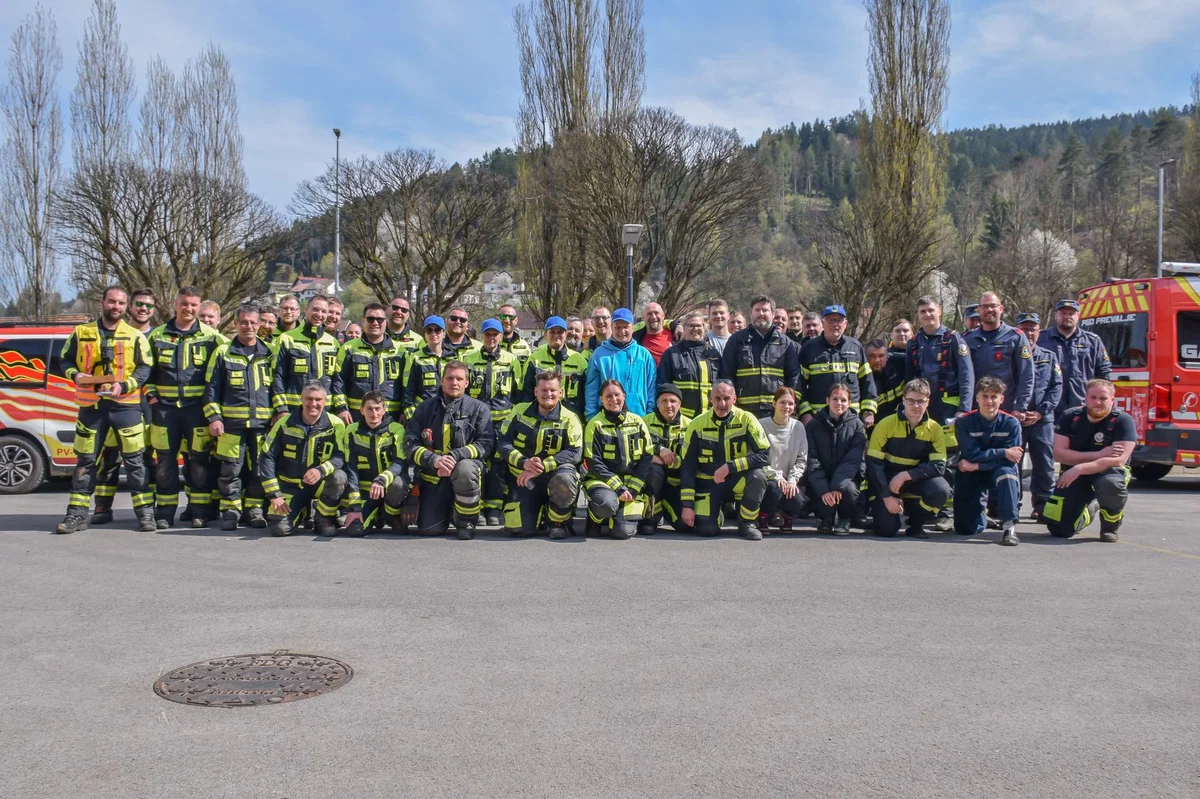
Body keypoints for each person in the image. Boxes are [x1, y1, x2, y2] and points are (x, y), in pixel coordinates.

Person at [55, 287, 156, 534]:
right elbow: (64, 360)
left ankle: (145, 515)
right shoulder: (81, 332)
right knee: (86, 461)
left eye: (121, 303)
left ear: (126, 306)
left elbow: (145, 368)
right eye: (112, 301)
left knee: (135, 462)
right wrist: (75, 375)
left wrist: (125, 385)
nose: (116, 306)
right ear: (102, 302)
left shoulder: (135, 336)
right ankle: (77, 515)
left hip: (126, 406)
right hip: (92, 407)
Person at [145, 286, 225, 528]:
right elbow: (144, 370)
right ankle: (165, 513)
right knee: (165, 463)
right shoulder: (157, 335)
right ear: (175, 304)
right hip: (165, 410)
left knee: (200, 461)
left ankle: (199, 512)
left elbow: (231, 360)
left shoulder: (212, 337)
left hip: (196, 410)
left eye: (193, 305)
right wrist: (151, 397)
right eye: (184, 303)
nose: (188, 309)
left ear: (198, 307)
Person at [906, 295, 975, 531]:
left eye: (931, 310)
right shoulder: (914, 343)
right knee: (926, 457)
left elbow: (967, 377)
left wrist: (964, 410)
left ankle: (947, 513)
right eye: (922, 311)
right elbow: (909, 379)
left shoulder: (953, 339)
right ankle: (931, 507)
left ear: (940, 312)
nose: (927, 315)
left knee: (949, 461)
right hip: (923, 409)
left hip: (948, 410)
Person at [203, 304, 274, 531]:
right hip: (231, 425)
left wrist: (278, 414)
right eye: (243, 322)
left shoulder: (269, 352)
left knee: (259, 470)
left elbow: (277, 387)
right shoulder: (223, 352)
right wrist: (214, 418)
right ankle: (231, 511)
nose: (248, 326)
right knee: (230, 470)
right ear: (235, 323)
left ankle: (254, 511)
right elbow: (211, 389)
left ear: (259, 324)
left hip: (262, 425)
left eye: (253, 322)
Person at [405, 361, 494, 539]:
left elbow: (485, 444)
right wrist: (434, 460)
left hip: (464, 473)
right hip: (434, 475)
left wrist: (455, 456)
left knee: (465, 469)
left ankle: (466, 520)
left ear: (467, 383)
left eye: (459, 379)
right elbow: (410, 443)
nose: (454, 382)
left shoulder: (479, 408)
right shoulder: (425, 408)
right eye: (450, 378)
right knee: (429, 529)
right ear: (442, 380)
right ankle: (449, 511)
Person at [90, 286, 156, 524]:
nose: (143, 309)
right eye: (139, 304)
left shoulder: (158, 336)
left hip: (147, 406)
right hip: (115, 404)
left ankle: (148, 509)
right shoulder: (117, 333)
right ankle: (102, 507)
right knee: (109, 458)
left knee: (144, 459)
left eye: (148, 305)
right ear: (131, 306)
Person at [1043, 379, 1135, 542]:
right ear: (1085, 398)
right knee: (1059, 530)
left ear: (1112, 400)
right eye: (1093, 397)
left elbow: (1118, 461)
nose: (1097, 402)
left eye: (1103, 398)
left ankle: (1109, 527)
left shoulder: (1123, 421)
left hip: (1108, 472)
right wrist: (1100, 454)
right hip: (1074, 474)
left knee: (1111, 485)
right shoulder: (1070, 417)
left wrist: (1079, 468)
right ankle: (1090, 509)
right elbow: (1058, 454)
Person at [679, 380, 771, 540]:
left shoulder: (747, 419)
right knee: (706, 530)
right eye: (717, 398)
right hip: (709, 482)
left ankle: (747, 523)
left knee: (758, 476)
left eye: (727, 398)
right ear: (710, 399)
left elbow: (765, 454)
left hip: (738, 480)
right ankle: (717, 514)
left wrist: (730, 467)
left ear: (734, 399)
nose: (722, 403)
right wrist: (687, 505)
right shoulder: (696, 424)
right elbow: (687, 466)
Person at [498, 371, 583, 539]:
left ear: (561, 392)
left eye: (552, 390)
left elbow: (575, 452)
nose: (548, 394)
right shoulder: (518, 411)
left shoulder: (570, 418)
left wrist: (543, 466)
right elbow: (502, 442)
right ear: (535, 391)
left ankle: (557, 522)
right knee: (519, 530)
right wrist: (524, 462)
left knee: (565, 479)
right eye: (543, 390)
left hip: (554, 475)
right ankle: (537, 512)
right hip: (524, 477)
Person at [259, 381, 349, 537]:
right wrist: (274, 494)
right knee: (279, 529)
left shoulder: (336, 424)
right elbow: (267, 457)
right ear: (301, 398)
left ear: (325, 401)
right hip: (291, 486)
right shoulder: (284, 423)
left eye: (318, 399)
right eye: (309, 399)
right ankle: (303, 510)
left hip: (320, 483)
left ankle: (323, 517)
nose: (313, 404)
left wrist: (321, 470)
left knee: (339, 477)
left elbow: (341, 455)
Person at [866, 378, 950, 539]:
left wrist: (906, 475)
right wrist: (887, 497)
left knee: (941, 490)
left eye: (920, 401)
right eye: (911, 400)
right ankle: (887, 511)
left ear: (927, 402)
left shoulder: (935, 428)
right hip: (887, 480)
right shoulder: (885, 424)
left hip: (915, 478)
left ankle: (916, 524)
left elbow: (938, 466)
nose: (916, 406)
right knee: (886, 530)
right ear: (903, 400)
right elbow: (874, 465)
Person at [582, 379, 656, 539]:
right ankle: (594, 520)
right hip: (603, 482)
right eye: (608, 396)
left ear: (624, 395)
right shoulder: (594, 425)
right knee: (606, 504)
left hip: (631, 484)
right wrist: (618, 487)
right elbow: (594, 462)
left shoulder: (638, 421)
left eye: (617, 395)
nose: (613, 399)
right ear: (601, 399)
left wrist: (634, 488)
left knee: (622, 533)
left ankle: (635, 516)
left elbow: (647, 457)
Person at [954, 377, 1023, 546]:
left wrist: (977, 465)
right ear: (977, 398)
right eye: (985, 396)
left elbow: (1012, 460)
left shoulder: (1011, 423)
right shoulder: (963, 422)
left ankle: (1009, 528)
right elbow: (971, 454)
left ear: (1002, 399)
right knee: (965, 529)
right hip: (971, 473)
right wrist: (1003, 452)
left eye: (994, 396)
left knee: (1007, 474)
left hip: (993, 470)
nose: (989, 401)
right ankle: (981, 518)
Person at [463, 319, 520, 525]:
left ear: (501, 336)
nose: (491, 338)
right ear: (482, 336)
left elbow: (518, 392)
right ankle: (477, 507)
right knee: (477, 463)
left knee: (498, 465)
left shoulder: (511, 360)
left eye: (495, 334)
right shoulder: (468, 359)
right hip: (475, 422)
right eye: (488, 334)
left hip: (501, 422)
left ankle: (494, 509)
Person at [340, 391, 410, 536]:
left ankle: (391, 515)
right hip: (367, 491)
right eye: (369, 409)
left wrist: (382, 479)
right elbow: (350, 467)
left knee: (398, 484)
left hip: (388, 487)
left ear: (384, 409)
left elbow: (400, 462)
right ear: (361, 410)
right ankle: (376, 515)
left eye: (378, 409)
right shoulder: (351, 431)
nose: (374, 414)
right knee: (355, 530)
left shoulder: (396, 429)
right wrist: (355, 507)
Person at [720, 295, 801, 419]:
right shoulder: (736, 340)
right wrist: (731, 407)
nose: (761, 313)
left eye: (765, 310)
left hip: (776, 413)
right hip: (743, 412)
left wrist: (791, 407)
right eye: (757, 310)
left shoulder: (786, 343)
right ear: (751, 314)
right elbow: (726, 375)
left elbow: (794, 378)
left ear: (773, 314)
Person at [797, 304, 877, 426]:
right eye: (830, 320)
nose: (835, 324)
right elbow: (799, 385)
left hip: (851, 418)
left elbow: (868, 382)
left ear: (845, 324)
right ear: (823, 323)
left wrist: (868, 410)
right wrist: (805, 413)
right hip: (818, 419)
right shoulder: (809, 348)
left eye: (839, 320)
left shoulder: (855, 347)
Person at [1016, 312, 1062, 518]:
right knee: (1013, 463)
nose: (1029, 333)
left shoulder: (1049, 356)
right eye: (1024, 329)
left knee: (1044, 463)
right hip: (1016, 419)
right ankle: (1011, 503)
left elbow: (1056, 387)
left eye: (1033, 329)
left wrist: (1040, 412)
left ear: (1039, 332)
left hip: (1042, 419)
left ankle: (1042, 505)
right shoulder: (1011, 354)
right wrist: (1017, 411)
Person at [805, 383, 867, 535]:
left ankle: (844, 519)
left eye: (843, 400)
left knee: (849, 490)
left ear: (849, 403)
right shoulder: (813, 425)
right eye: (835, 399)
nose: (839, 403)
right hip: (821, 477)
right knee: (818, 490)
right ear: (827, 400)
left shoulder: (857, 425)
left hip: (845, 479)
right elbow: (812, 460)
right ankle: (824, 518)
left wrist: (837, 487)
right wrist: (824, 490)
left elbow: (852, 460)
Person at [330, 303, 407, 425]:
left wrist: (404, 410)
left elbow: (408, 385)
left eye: (380, 319)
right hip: (356, 417)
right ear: (363, 321)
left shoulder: (400, 352)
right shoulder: (349, 349)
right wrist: (341, 408)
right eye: (370, 319)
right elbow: (338, 381)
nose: (375, 323)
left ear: (386, 321)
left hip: (392, 418)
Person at [1037, 299, 1111, 419]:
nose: (1067, 317)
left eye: (1071, 313)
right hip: (1048, 408)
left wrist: (1099, 400)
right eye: (1063, 313)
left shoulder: (1093, 341)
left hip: (1082, 405)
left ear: (1078, 316)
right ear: (1056, 316)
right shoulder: (1041, 338)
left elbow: (1103, 372)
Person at [964, 292, 1033, 416]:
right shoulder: (968, 339)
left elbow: (1026, 374)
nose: (989, 310)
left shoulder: (1015, 337)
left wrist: (1021, 407)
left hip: (1006, 409)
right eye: (985, 306)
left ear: (1001, 309)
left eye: (993, 306)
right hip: (975, 408)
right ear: (979, 310)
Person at [271, 295, 341, 418]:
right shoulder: (287, 339)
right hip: (293, 411)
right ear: (306, 309)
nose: (319, 314)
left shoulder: (333, 343)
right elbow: (278, 376)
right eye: (315, 309)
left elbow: (337, 380)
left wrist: (340, 407)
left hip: (325, 411)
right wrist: (281, 408)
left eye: (324, 311)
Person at [585, 308, 657, 420]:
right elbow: (591, 389)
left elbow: (652, 387)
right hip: (607, 420)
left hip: (640, 417)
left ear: (632, 327)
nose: (622, 331)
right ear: (611, 327)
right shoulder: (599, 355)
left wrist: (650, 415)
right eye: (618, 327)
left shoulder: (644, 355)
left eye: (625, 327)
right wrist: (591, 416)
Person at [640, 384, 691, 535]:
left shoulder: (691, 425)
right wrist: (658, 450)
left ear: (680, 404)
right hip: (652, 479)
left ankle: (666, 505)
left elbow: (692, 459)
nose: (668, 405)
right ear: (657, 403)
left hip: (677, 483)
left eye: (673, 401)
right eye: (664, 401)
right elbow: (636, 449)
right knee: (653, 471)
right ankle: (650, 519)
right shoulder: (643, 422)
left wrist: (671, 461)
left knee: (685, 527)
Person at [758, 387, 808, 533]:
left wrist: (792, 480)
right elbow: (758, 457)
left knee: (798, 500)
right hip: (769, 478)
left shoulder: (798, 427)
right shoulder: (761, 425)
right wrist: (777, 476)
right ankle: (762, 517)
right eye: (782, 402)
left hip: (788, 479)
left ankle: (787, 516)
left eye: (791, 403)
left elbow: (802, 459)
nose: (787, 407)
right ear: (774, 403)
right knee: (774, 489)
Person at [656, 311, 722, 418]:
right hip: (681, 418)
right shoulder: (672, 354)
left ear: (704, 328)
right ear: (684, 328)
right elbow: (662, 385)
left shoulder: (713, 354)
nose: (695, 329)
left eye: (699, 326)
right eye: (691, 325)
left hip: (709, 417)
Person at [522, 316, 589, 420]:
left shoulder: (579, 360)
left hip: (573, 417)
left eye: (560, 332)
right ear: (546, 334)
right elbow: (526, 393)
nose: (556, 335)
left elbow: (587, 393)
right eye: (552, 332)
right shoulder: (535, 359)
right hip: (541, 417)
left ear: (565, 334)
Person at [402, 315, 453, 414]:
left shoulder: (453, 358)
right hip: (423, 412)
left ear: (444, 333)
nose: (433, 334)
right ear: (425, 334)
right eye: (429, 330)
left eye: (437, 330)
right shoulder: (415, 358)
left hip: (447, 412)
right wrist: (412, 417)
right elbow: (407, 390)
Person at [866, 338, 906, 420]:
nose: (877, 360)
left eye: (881, 356)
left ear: (887, 356)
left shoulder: (900, 365)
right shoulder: (862, 379)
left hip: (900, 421)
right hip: (876, 425)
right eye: (872, 356)